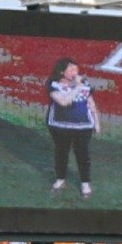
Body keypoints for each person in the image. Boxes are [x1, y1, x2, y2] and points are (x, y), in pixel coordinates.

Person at [46, 58, 99, 194]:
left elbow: (91, 103)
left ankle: (85, 183)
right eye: (71, 69)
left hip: (83, 126)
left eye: (76, 69)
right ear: (62, 71)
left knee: (82, 154)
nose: (75, 72)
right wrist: (77, 87)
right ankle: (60, 179)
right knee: (61, 152)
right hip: (60, 126)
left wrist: (97, 122)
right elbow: (64, 102)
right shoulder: (53, 84)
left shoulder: (84, 83)